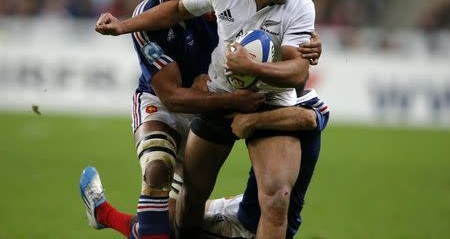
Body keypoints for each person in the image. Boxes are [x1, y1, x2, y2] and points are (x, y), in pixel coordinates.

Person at [88, 0, 322, 239]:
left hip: (265, 100)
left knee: (277, 200)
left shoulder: (299, 5)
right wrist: (123, 26)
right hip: (199, 99)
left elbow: (298, 72)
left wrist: (253, 69)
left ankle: (218, 212)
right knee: (178, 199)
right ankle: (110, 214)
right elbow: (176, 25)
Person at [80, 88, 329, 239]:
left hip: (249, 227)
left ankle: (105, 215)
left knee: (168, 230)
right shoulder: (268, 96)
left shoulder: (295, 104)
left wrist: (252, 121)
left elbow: (310, 118)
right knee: (168, 215)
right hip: (242, 205)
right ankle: (104, 214)